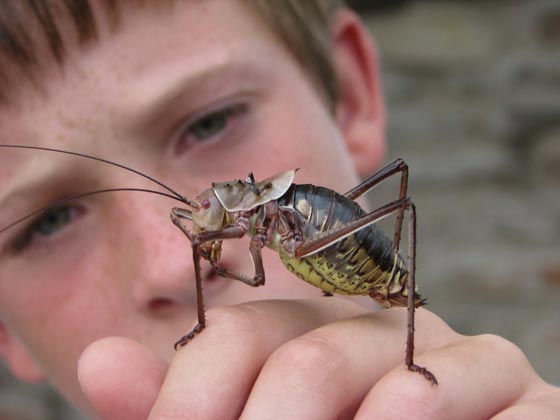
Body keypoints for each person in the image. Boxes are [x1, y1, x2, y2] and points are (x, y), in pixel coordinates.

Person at [0, 1, 558, 419]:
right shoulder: (231, 227)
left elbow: (254, 270)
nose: (169, 268)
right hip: (306, 239)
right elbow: (236, 261)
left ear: (350, 96)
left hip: (330, 239)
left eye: (210, 122)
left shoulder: (258, 219)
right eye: (48, 221)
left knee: (401, 195)